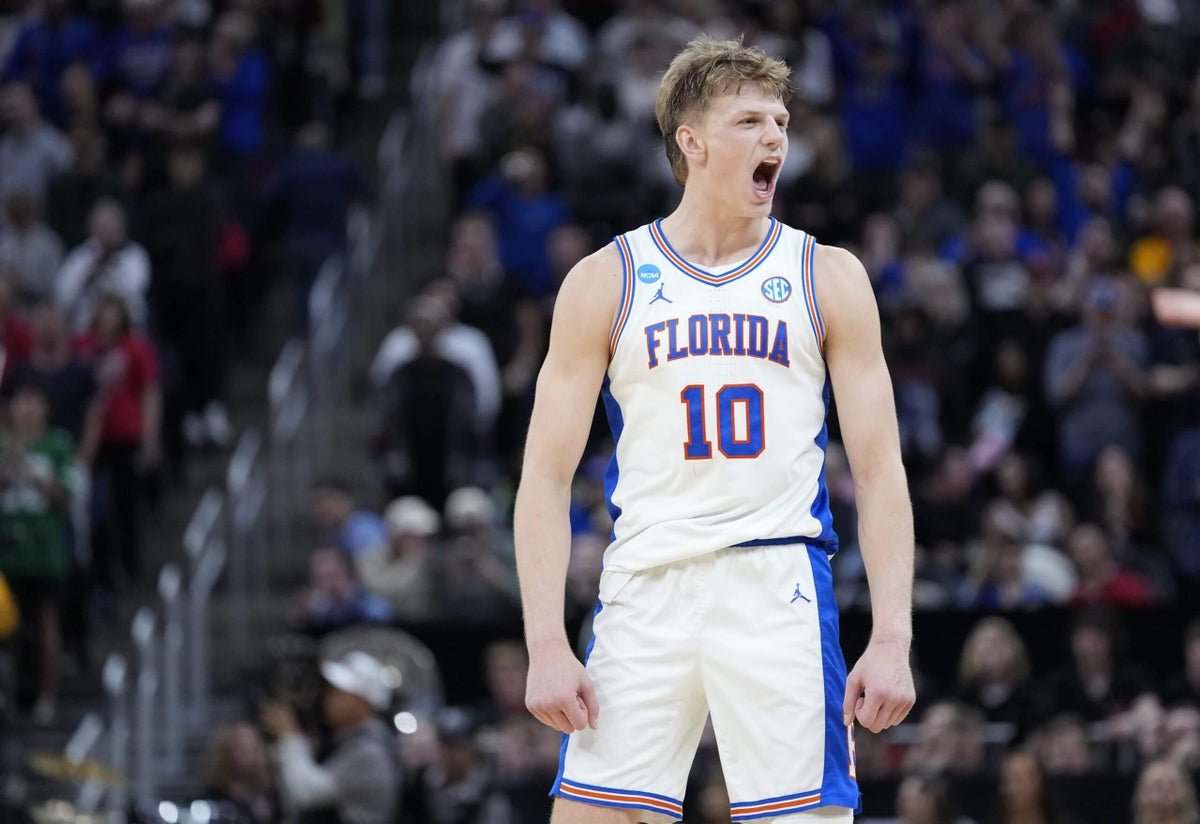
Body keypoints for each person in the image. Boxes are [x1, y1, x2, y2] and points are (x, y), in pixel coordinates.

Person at [514, 37, 915, 823]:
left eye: (781, 122)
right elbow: (545, 479)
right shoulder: (606, 280)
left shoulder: (826, 274)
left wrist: (894, 636)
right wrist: (546, 644)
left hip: (777, 581)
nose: (776, 138)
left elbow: (879, 472)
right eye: (750, 121)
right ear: (691, 142)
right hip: (645, 583)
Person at [0, 383, 75, 724]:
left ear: (45, 407)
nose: (27, 409)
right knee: (6, 626)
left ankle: (47, 696)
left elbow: (66, 495)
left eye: (33, 401)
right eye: (21, 401)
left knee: (47, 620)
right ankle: (9, 695)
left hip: (44, 549)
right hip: (7, 549)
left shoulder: (58, 445)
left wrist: (28, 469)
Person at [260, 650, 400, 824]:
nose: (329, 698)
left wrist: (290, 736)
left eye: (338, 692)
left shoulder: (370, 752)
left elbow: (306, 793)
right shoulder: (346, 740)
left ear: (363, 702)